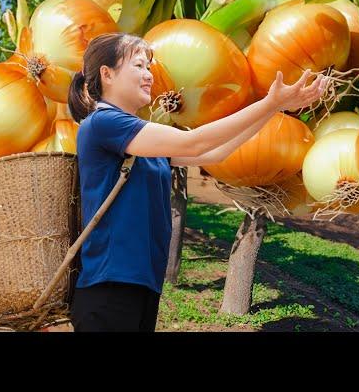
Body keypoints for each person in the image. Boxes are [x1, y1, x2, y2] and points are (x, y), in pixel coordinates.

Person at [66, 32, 328, 332]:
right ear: (107, 74)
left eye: (149, 67)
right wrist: (269, 101)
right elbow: (194, 143)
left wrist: (272, 108)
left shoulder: (141, 139)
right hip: (110, 285)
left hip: (141, 283)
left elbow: (214, 153)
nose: (149, 75)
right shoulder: (103, 124)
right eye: (139, 66)